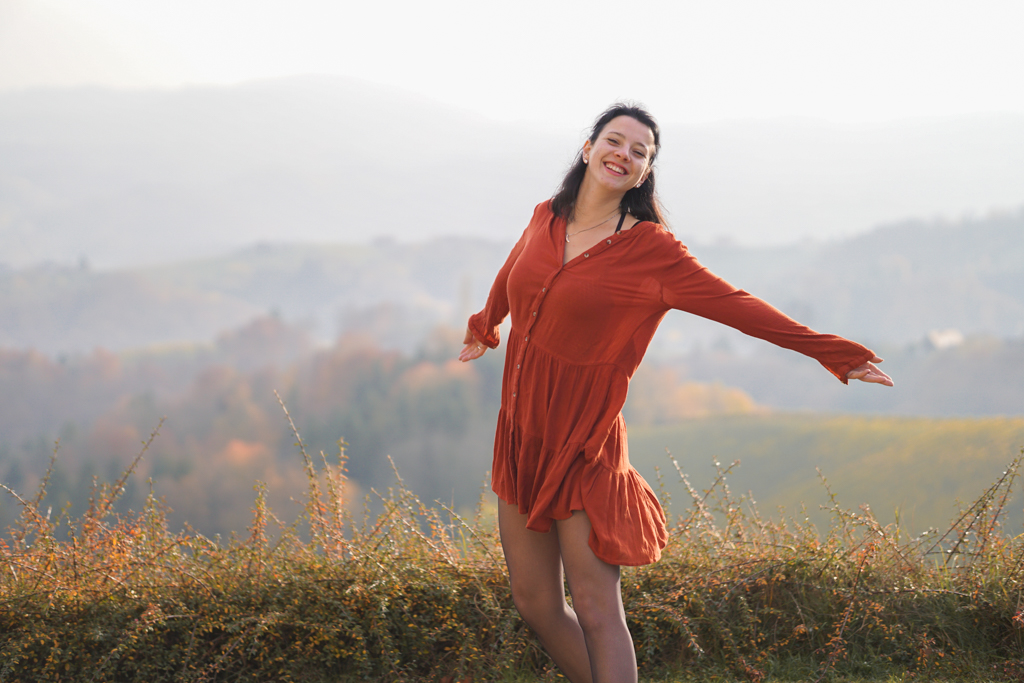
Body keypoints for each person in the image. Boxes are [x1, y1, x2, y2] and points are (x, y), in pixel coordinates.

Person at [457, 103, 893, 683]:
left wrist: (831, 351)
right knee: (534, 601)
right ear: (588, 148)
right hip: (521, 434)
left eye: (639, 152)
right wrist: (486, 324)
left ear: (644, 173)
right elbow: (517, 273)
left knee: (595, 608)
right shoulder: (547, 215)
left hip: (585, 445)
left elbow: (738, 306)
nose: (624, 154)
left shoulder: (653, 251)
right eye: (615, 141)